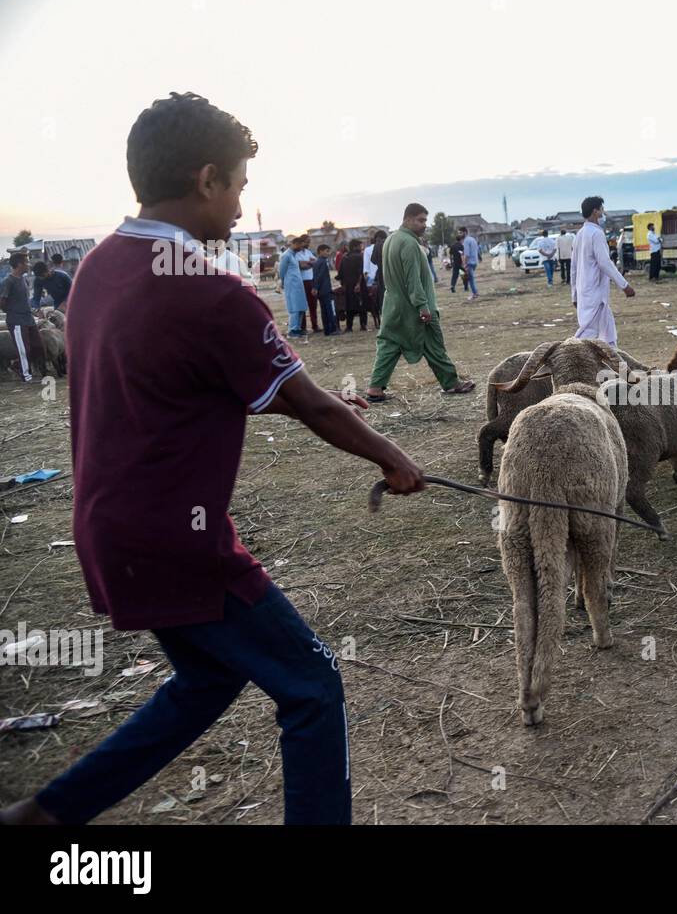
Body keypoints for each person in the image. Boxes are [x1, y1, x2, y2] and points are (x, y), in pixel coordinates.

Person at [0, 91, 427, 829]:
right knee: (312, 684)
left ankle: (49, 811)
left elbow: (196, 379)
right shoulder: (212, 289)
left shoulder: (101, 265)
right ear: (205, 180)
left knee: (207, 677)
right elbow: (305, 403)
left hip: (110, 527)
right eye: (237, 185)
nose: (239, 205)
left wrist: (319, 400)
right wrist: (394, 457)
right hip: (178, 539)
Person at [366, 203, 475, 400]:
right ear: (407, 219)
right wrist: (422, 306)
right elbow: (412, 279)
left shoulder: (391, 240)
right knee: (433, 343)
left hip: (393, 305)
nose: (424, 224)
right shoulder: (408, 243)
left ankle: (375, 387)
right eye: (421, 220)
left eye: (425, 220)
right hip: (414, 307)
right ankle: (451, 383)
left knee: (389, 344)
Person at [572, 196, 635, 344]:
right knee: (586, 335)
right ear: (595, 211)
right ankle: (566, 359)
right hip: (594, 293)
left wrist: (574, 295)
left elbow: (573, 269)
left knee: (608, 334)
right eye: (602, 209)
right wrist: (625, 286)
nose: (603, 213)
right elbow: (605, 263)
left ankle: (615, 362)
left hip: (587, 292)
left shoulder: (580, 235)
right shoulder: (596, 233)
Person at [1, 252, 44, 382]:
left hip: (29, 318)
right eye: (26, 262)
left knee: (38, 346)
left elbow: (25, 299)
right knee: (24, 349)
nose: (29, 265)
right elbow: (2, 301)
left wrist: (33, 311)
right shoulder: (8, 281)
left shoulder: (23, 279)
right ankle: (26, 376)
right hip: (17, 321)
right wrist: (13, 311)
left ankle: (16, 365)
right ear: (20, 264)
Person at [278, 234, 309, 337]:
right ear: (295, 244)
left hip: (298, 285)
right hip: (291, 285)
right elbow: (281, 271)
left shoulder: (294, 255)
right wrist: (282, 282)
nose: (301, 248)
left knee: (301, 307)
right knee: (294, 308)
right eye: (300, 245)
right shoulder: (286, 255)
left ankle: (298, 328)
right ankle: (292, 330)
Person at [337, 239, 367, 331]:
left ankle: (349, 327)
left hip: (348, 286)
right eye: (360, 246)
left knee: (349, 306)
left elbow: (340, 273)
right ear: (355, 246)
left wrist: (343, 284)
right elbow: (360, 272)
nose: (361, 247)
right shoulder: (359, 257)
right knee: (361, 305)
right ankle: (363, 325)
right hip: (359, 285)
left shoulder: (345, 257)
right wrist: (358, 284)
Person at [313, 243, 340, 335]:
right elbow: (320, 276)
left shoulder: (317, 262)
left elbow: (316, 277)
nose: (328, 253)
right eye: (327, 251)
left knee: (324, 310)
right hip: (325, 289)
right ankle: (332, 329)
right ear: (320, 251)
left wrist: (315, 287)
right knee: (330, 310)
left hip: (320, 291)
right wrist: (316, 287)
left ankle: (327, 330)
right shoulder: (323, 262)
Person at [459, 226, 480, 300]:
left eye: (460, 233)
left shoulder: (466, 241)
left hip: (469, 262)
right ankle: (475, 292)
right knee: (470, 278)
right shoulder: (473, 239)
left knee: (470, 279)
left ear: (465, 232)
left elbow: (466, 254)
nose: (459, 234)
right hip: (475, 261)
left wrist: (464, 264)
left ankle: (475, 293)